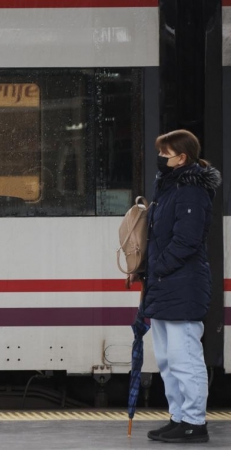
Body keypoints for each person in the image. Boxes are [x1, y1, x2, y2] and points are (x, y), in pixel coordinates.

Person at [129, 130, 221, 443]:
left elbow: (187, 240)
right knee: (168, 360)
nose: (161, 158)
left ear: (181, 157)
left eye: (166, 153)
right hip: (165, 285)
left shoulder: (191, 191)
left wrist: (157, 268)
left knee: (185, 359)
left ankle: (195, 423)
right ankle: (178, 417)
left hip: (182, 285)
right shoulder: (170, 188)